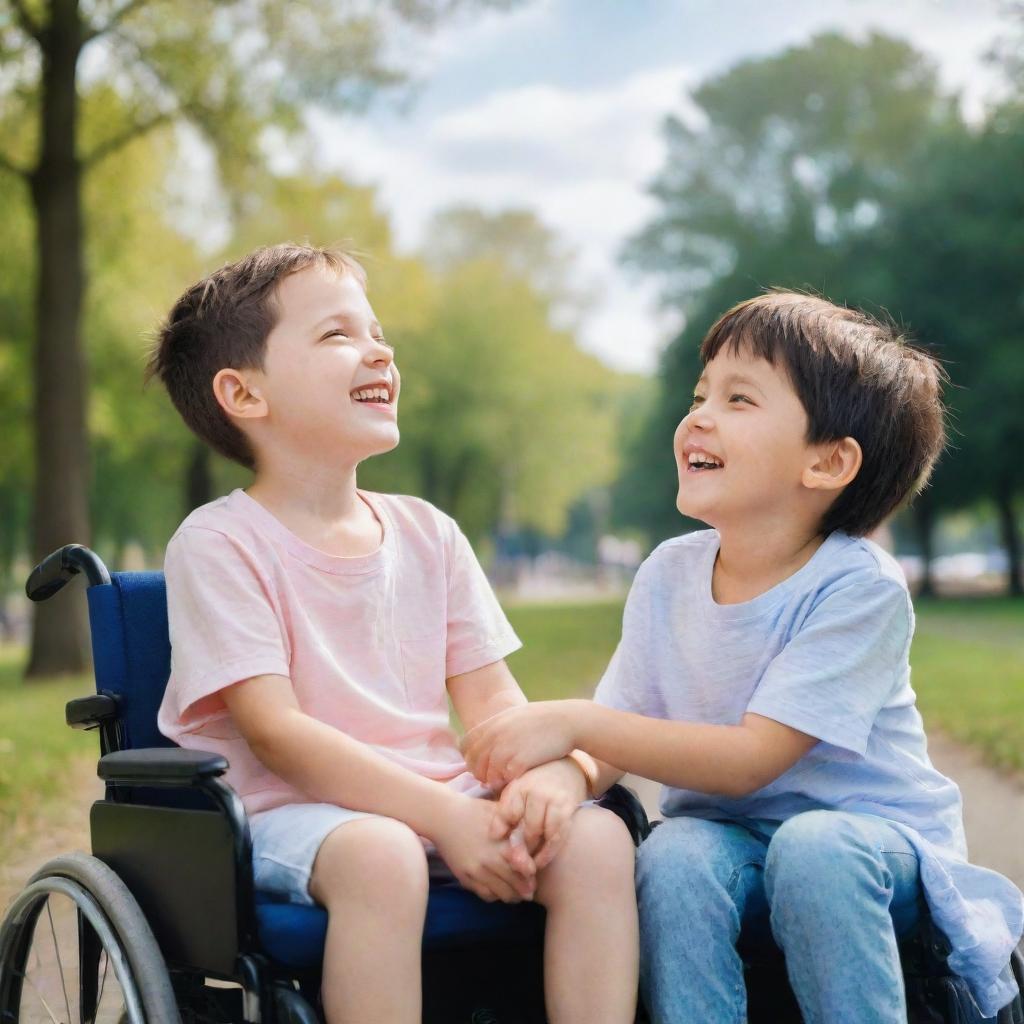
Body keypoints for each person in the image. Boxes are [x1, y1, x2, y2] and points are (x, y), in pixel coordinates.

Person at [462, 291, 1024, 1023]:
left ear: (826, 463)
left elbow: (751, 759)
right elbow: (620, 722)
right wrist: (568, 780)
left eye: (739, 399)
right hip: (735, 846)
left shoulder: (858, 587)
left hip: (866, 848)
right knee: (676, 855)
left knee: (816, 850)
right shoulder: (668, 573)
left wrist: (571, 724)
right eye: (701, 395)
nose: (699, 415)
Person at [147, 243, 638, 1024]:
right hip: (287, 814)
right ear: (244, 392)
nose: (380, 348)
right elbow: (276, 735)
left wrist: (542, 780)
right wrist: (444, 818)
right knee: (383, 855)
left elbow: (494, 711)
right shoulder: (219, 542)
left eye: (377, 331)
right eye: (338, 335)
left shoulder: (429, 533)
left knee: (597, 843)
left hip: (439, 797)